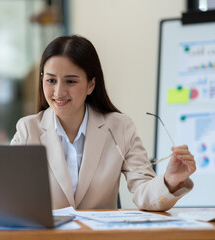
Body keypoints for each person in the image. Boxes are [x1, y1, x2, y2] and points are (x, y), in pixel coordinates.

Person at [11, 35, 196, 211]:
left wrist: (170, 180)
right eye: (51, 80)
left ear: (91, 85)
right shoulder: (28, 130)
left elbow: (144, 193)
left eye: (70, 81)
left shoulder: (120, 127)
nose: (59, 92)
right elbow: (9, 195)